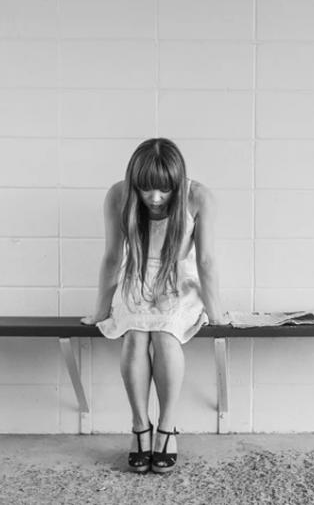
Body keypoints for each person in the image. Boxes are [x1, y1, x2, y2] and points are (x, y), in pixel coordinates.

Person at [81, 138, 228, 474]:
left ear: (178, 183)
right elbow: (112, 257)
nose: (156, 198)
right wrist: (100, 311)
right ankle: (139, 427)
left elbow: (206, 260)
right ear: (134, 182)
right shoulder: (118, 195)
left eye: (165, 189)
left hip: (179, 280)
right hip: (135, 277)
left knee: (164, 334)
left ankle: (167, 427)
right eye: (146, 189)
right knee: (135, 334)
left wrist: (216, 312)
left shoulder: (199, 197)